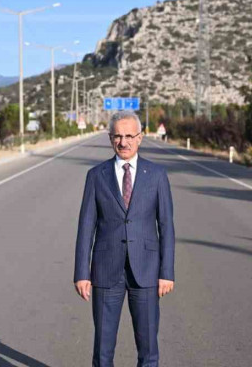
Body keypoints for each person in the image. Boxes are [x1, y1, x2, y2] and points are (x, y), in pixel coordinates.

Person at [74, 110, 175, 367]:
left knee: (149, 349)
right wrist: (81, 273)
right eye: (118, 136)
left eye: (129, 136)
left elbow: (166, 226)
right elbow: (86, 226)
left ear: (140, 138)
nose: (124, 142)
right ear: (110, 138)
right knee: (103, 350)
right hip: (107, 272)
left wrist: (167, 272)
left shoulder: (157, 175)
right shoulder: (96, 176)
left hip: (147, 272)